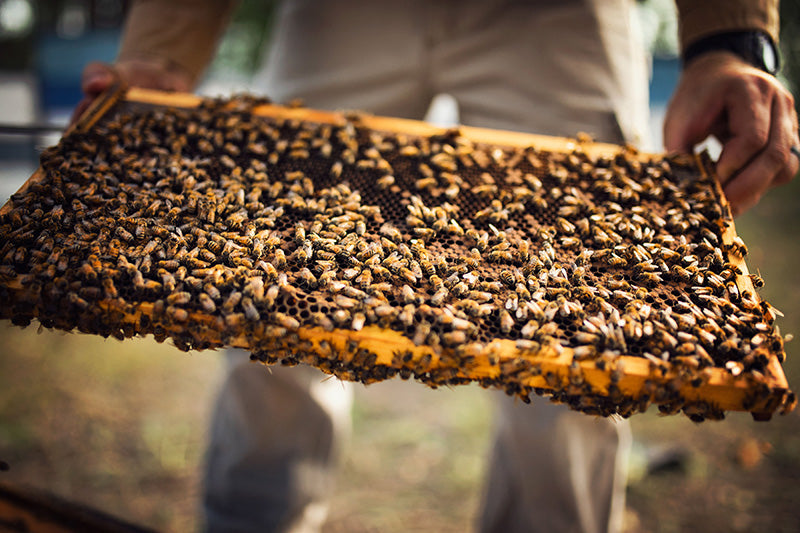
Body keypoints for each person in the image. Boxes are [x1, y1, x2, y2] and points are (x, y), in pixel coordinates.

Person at [76, 1, 798, 532]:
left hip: (557, 15)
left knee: (585, 345)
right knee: (269, 292)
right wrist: (164, 48)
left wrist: (730, 40)